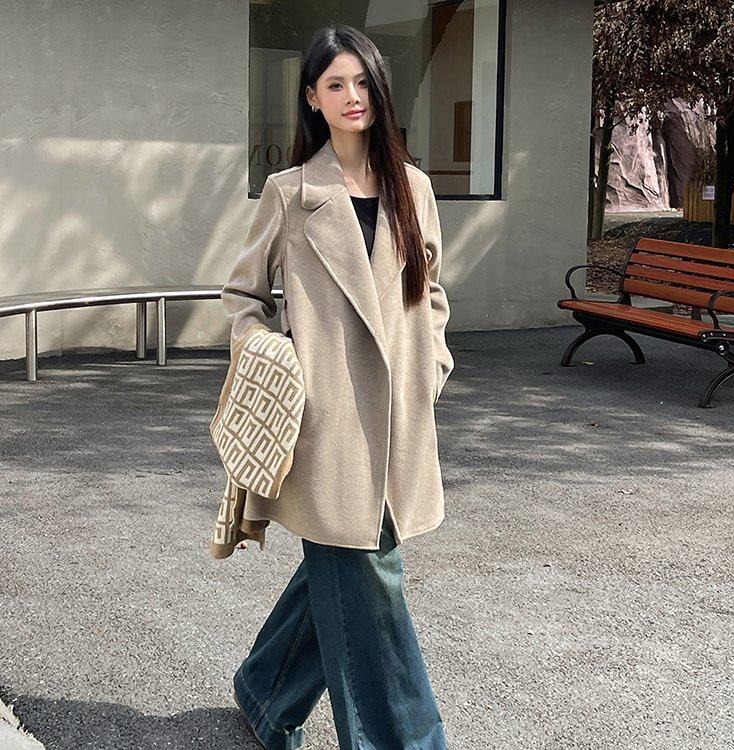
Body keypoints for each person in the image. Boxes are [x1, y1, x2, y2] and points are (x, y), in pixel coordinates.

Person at [221, 23, 454, 750]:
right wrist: (269, 352)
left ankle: (265, 691)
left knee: (344, 568)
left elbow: (432, 291)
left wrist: (432, 367)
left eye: (362, 81)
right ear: (312, 99)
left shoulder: (414, 188)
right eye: (335, 84)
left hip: (399, 418)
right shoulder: (291, 194)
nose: (352, 96)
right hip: (327, 427)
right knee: (371, 576)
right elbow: (242, 296)